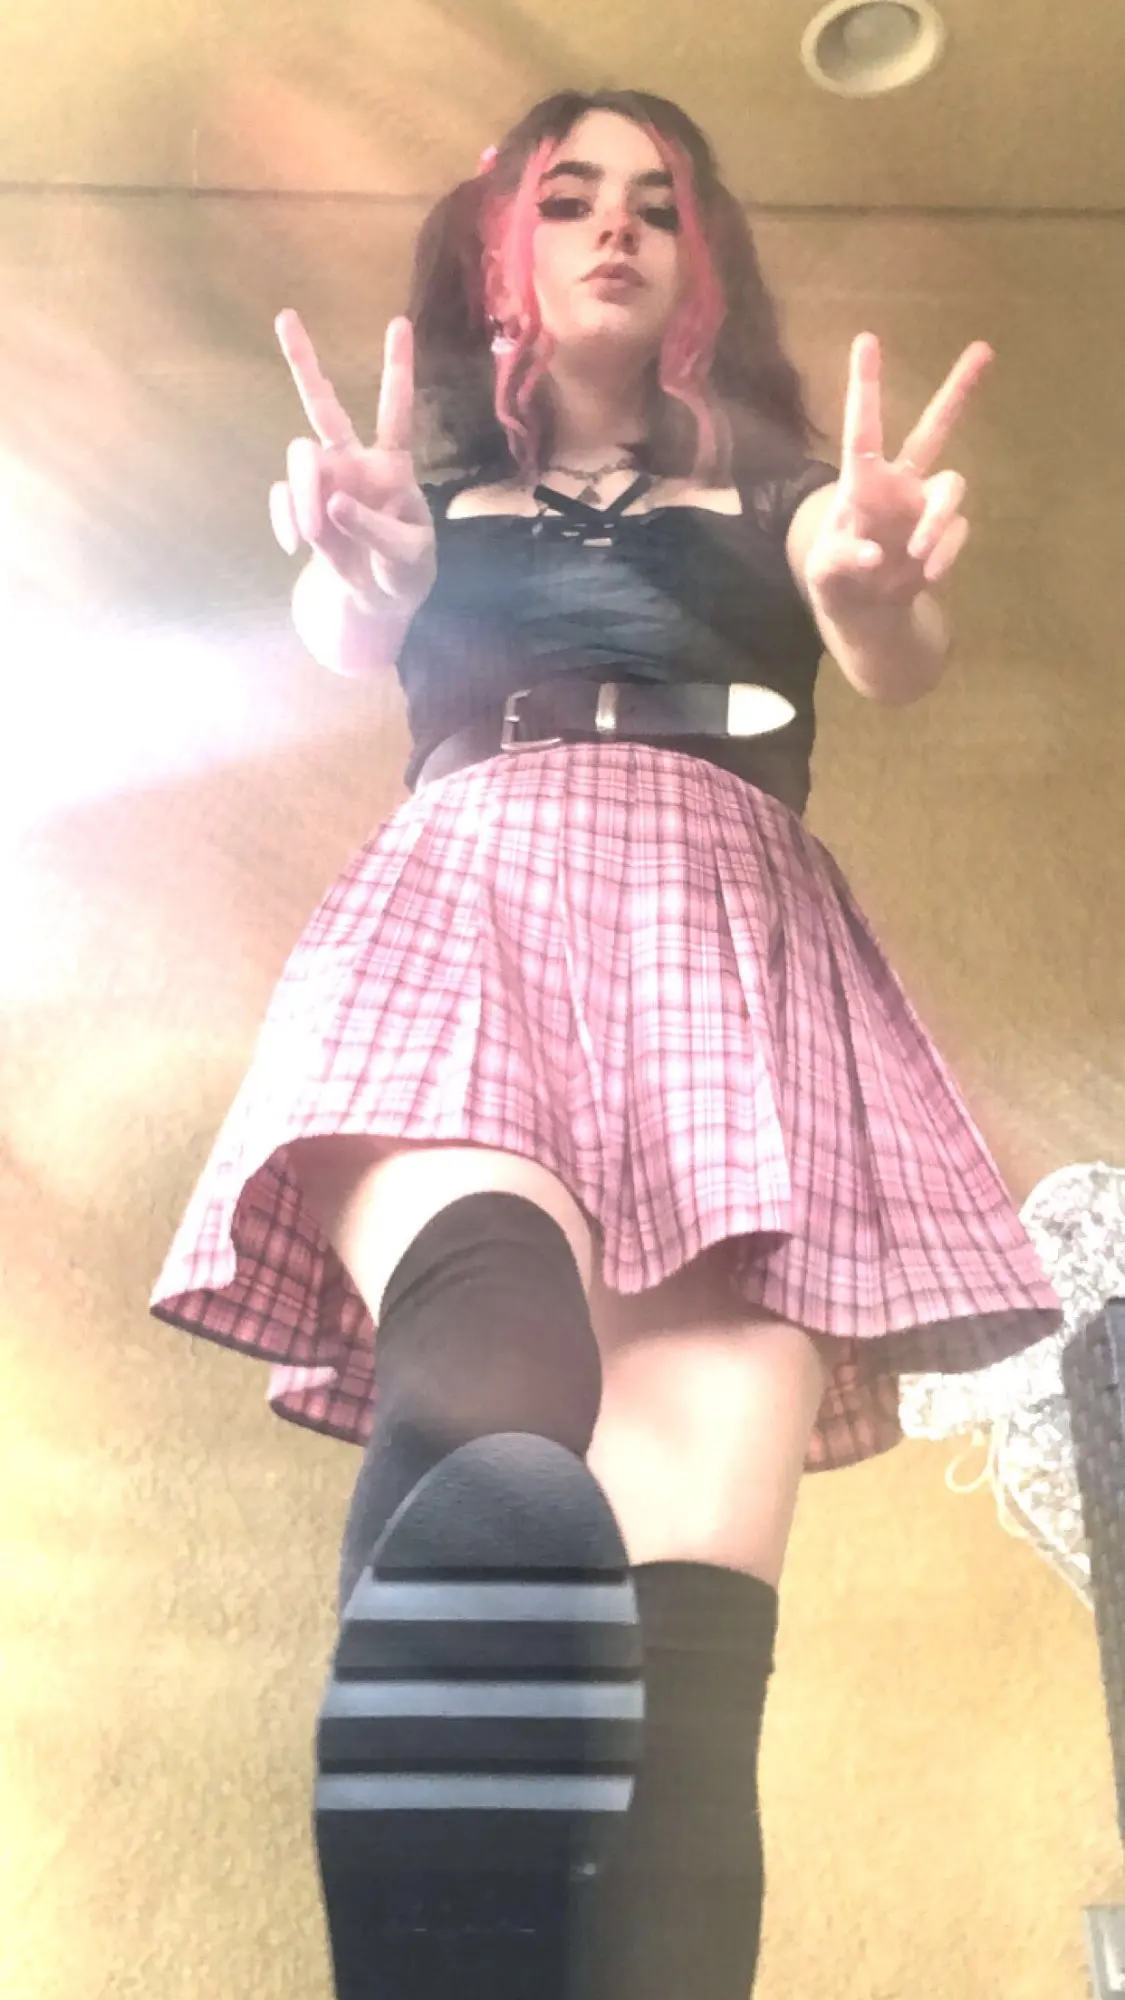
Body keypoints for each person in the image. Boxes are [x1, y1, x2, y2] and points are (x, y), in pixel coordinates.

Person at [150, 87, 1061, 2000]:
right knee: (496, 1379)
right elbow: (348, 617)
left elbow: (886, 644)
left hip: (732, 958)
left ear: (703, 256)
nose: (618, 225)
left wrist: (874, 594)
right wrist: (360, 562)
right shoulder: (419, 501)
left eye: (659, 199)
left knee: (688, 1690)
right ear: (505, 252)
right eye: (570, 198)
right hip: (476, 911)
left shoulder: (793, 494)